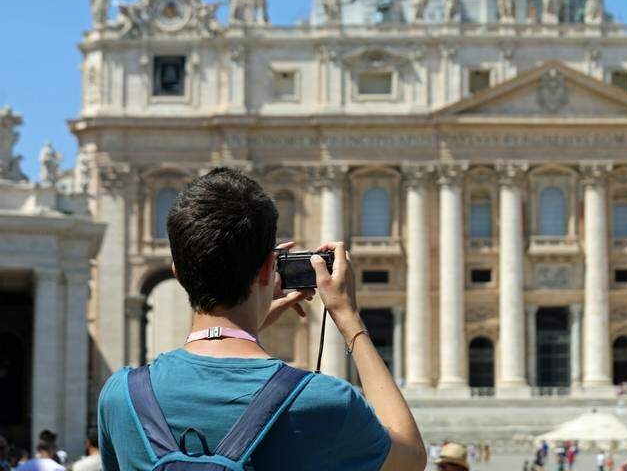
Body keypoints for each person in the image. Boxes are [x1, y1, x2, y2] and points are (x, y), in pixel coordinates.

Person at [97, 167, 426, 471]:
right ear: (270, 268)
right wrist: (349, 320)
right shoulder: (323, 401)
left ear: (178, 275)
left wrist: (250, 323)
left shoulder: (120, 396)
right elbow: (410, 456)